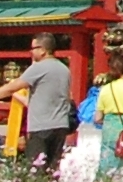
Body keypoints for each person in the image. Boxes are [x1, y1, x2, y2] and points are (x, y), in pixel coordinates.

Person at [7, 33, 76, 170]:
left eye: (33, 48)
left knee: (35, 168)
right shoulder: (64, 69)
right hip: (60, 126)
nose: (31, 52)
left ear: (43, 50)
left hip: (40, 127)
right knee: (52, 168)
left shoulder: (38, 68)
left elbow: (13, 87)